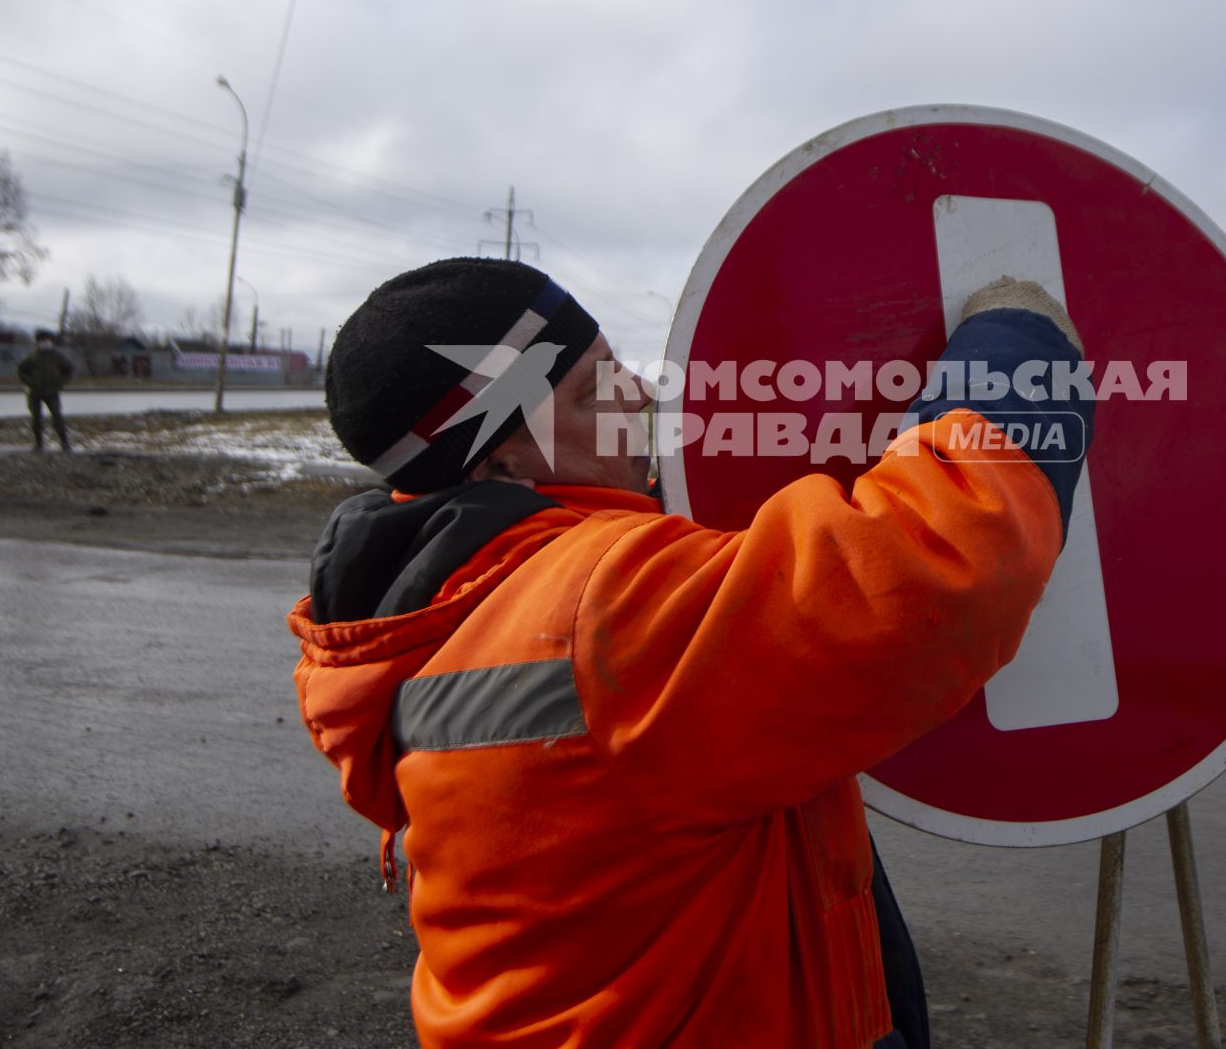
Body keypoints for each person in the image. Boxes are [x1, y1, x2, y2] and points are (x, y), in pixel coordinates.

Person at [289, 257, 1088, 1048]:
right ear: (505, 459)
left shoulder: (442, 606)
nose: (637, 393)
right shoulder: (604, 607)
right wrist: (1014, 354)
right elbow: (940, 564)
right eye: (594, 388)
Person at [16, 328, 73, 453]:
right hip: (35, 393)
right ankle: (39, 443)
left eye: (47, 340)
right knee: (36, 419)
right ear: (37, 342)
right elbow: (20, 371)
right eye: (42, 340)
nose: (45, 342)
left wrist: (60, 383)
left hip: (52, 392)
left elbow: (69, 370)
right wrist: (31, 383)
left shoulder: (58, 357)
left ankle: (65, 442)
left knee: (57, 417)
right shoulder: (32, 357)